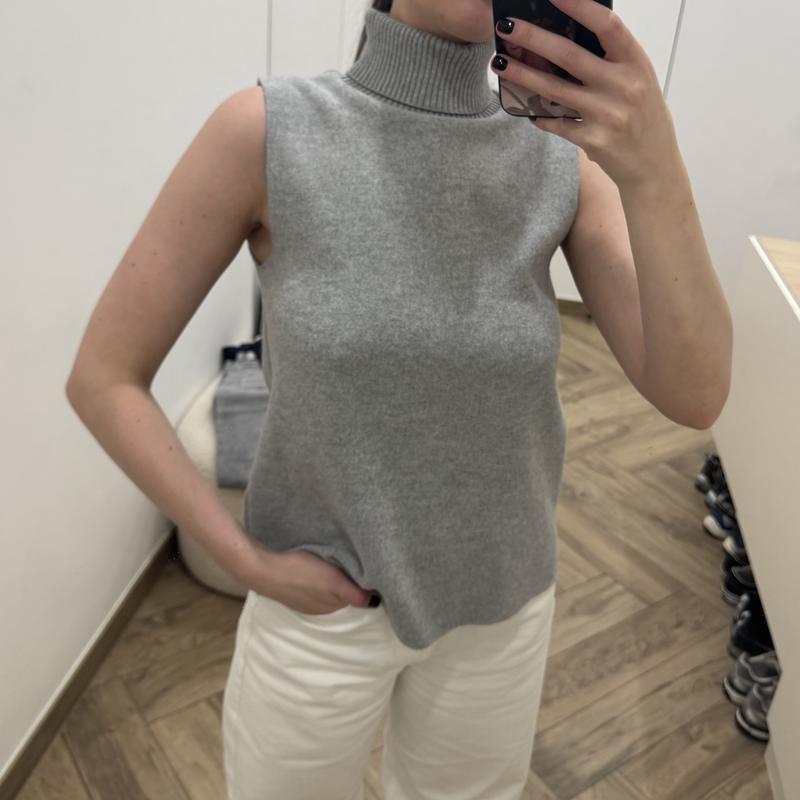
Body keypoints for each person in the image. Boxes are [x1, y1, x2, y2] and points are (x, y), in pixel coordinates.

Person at [65, 0, 732, 798]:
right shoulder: (270, 132)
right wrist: (243, 560)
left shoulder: (560, 161)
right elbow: (104, 378)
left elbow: (696, 394)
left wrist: (655, 164)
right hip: (318, 610)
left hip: (503, 611)